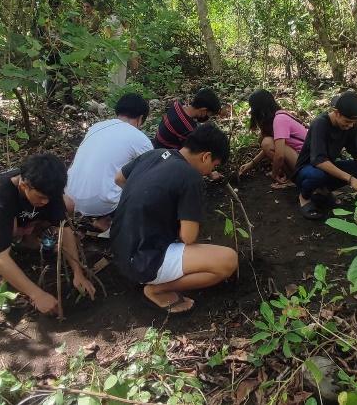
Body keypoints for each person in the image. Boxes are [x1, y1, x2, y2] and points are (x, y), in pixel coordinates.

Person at [109, 124, 238, 314]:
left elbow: (119, 178)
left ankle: (154, 279)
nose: (210, 171)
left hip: (120, 248)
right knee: (228, 260)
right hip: (145, 261)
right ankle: (157, 289)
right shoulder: (191, 177)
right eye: (214, 165)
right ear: (206, 156)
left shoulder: (155, 154)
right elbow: (188, 237)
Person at [0, 153, 96, 314]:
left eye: (49, 198)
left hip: (23, 218)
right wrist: (37, 295)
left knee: (67, 204)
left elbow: (64, 228)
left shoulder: (47, 187)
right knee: (4, 233)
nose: (46, 201)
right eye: (41, 197)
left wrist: (78, 273)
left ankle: (28, 240)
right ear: (24, 186)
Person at [66, 93, 153, 233]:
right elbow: (151, 175)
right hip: (101, 203)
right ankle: (114, 222)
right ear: (141, 118)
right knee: (144, 180)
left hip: (70, 197)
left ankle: (101, 219)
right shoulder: (140, 139)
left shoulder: (96, 127)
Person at [294, 91, 357, 220]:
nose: (350, 125)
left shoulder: (351, 126)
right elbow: (318, 160)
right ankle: (304, 197)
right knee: (318, 174)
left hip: (328, 167)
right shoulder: (320, 124)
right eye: (347, 121)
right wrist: (350, 179)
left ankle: (323, 191)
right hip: (307, 169)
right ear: (336, 113)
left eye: (353, 122)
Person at [237, 89, 307, 188]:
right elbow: (270, 147)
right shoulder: (276, 117)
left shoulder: (279, 120)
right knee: (265, 140)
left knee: (266, 142)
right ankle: (292, 176)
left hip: (306, 161)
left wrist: (274, 175)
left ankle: (292, 179)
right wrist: (251, 164)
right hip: (303, 158)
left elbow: (279, 155)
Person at [153, 88, 222, 150]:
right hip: (164, 155)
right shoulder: (188, 128)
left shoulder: (176, 105)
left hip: (156, 143)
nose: (208, 117)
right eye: (209, 114)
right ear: (203, 110)